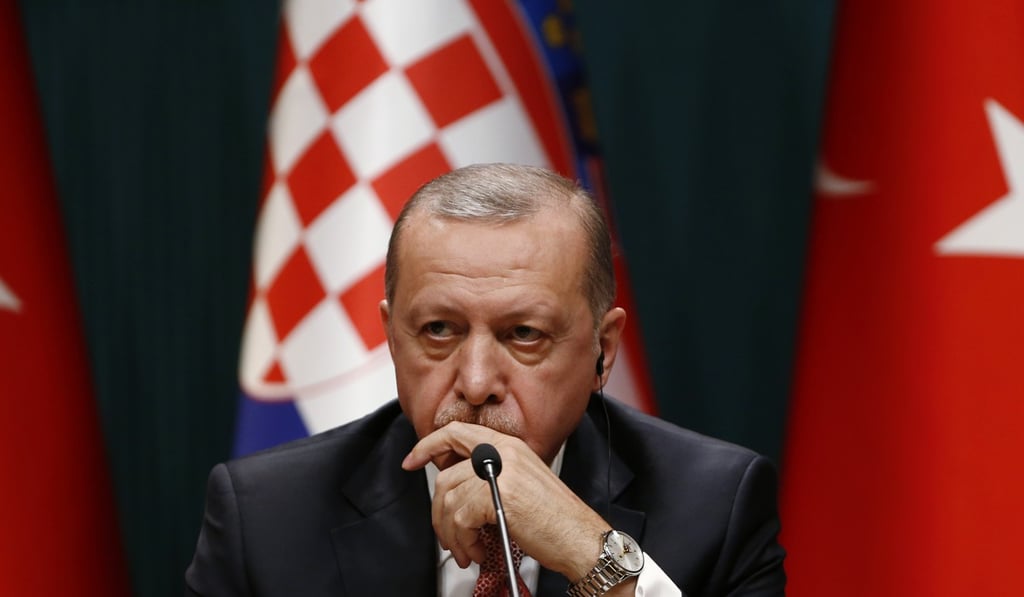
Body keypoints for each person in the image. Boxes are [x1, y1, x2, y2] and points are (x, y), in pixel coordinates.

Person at [184, 163, 786, 596]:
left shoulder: (714, 506)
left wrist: (597, 560)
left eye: (524, 334)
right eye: (440, 329)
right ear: (394, 339)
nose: (474, 383)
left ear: (602, 351)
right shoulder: (266, 519)